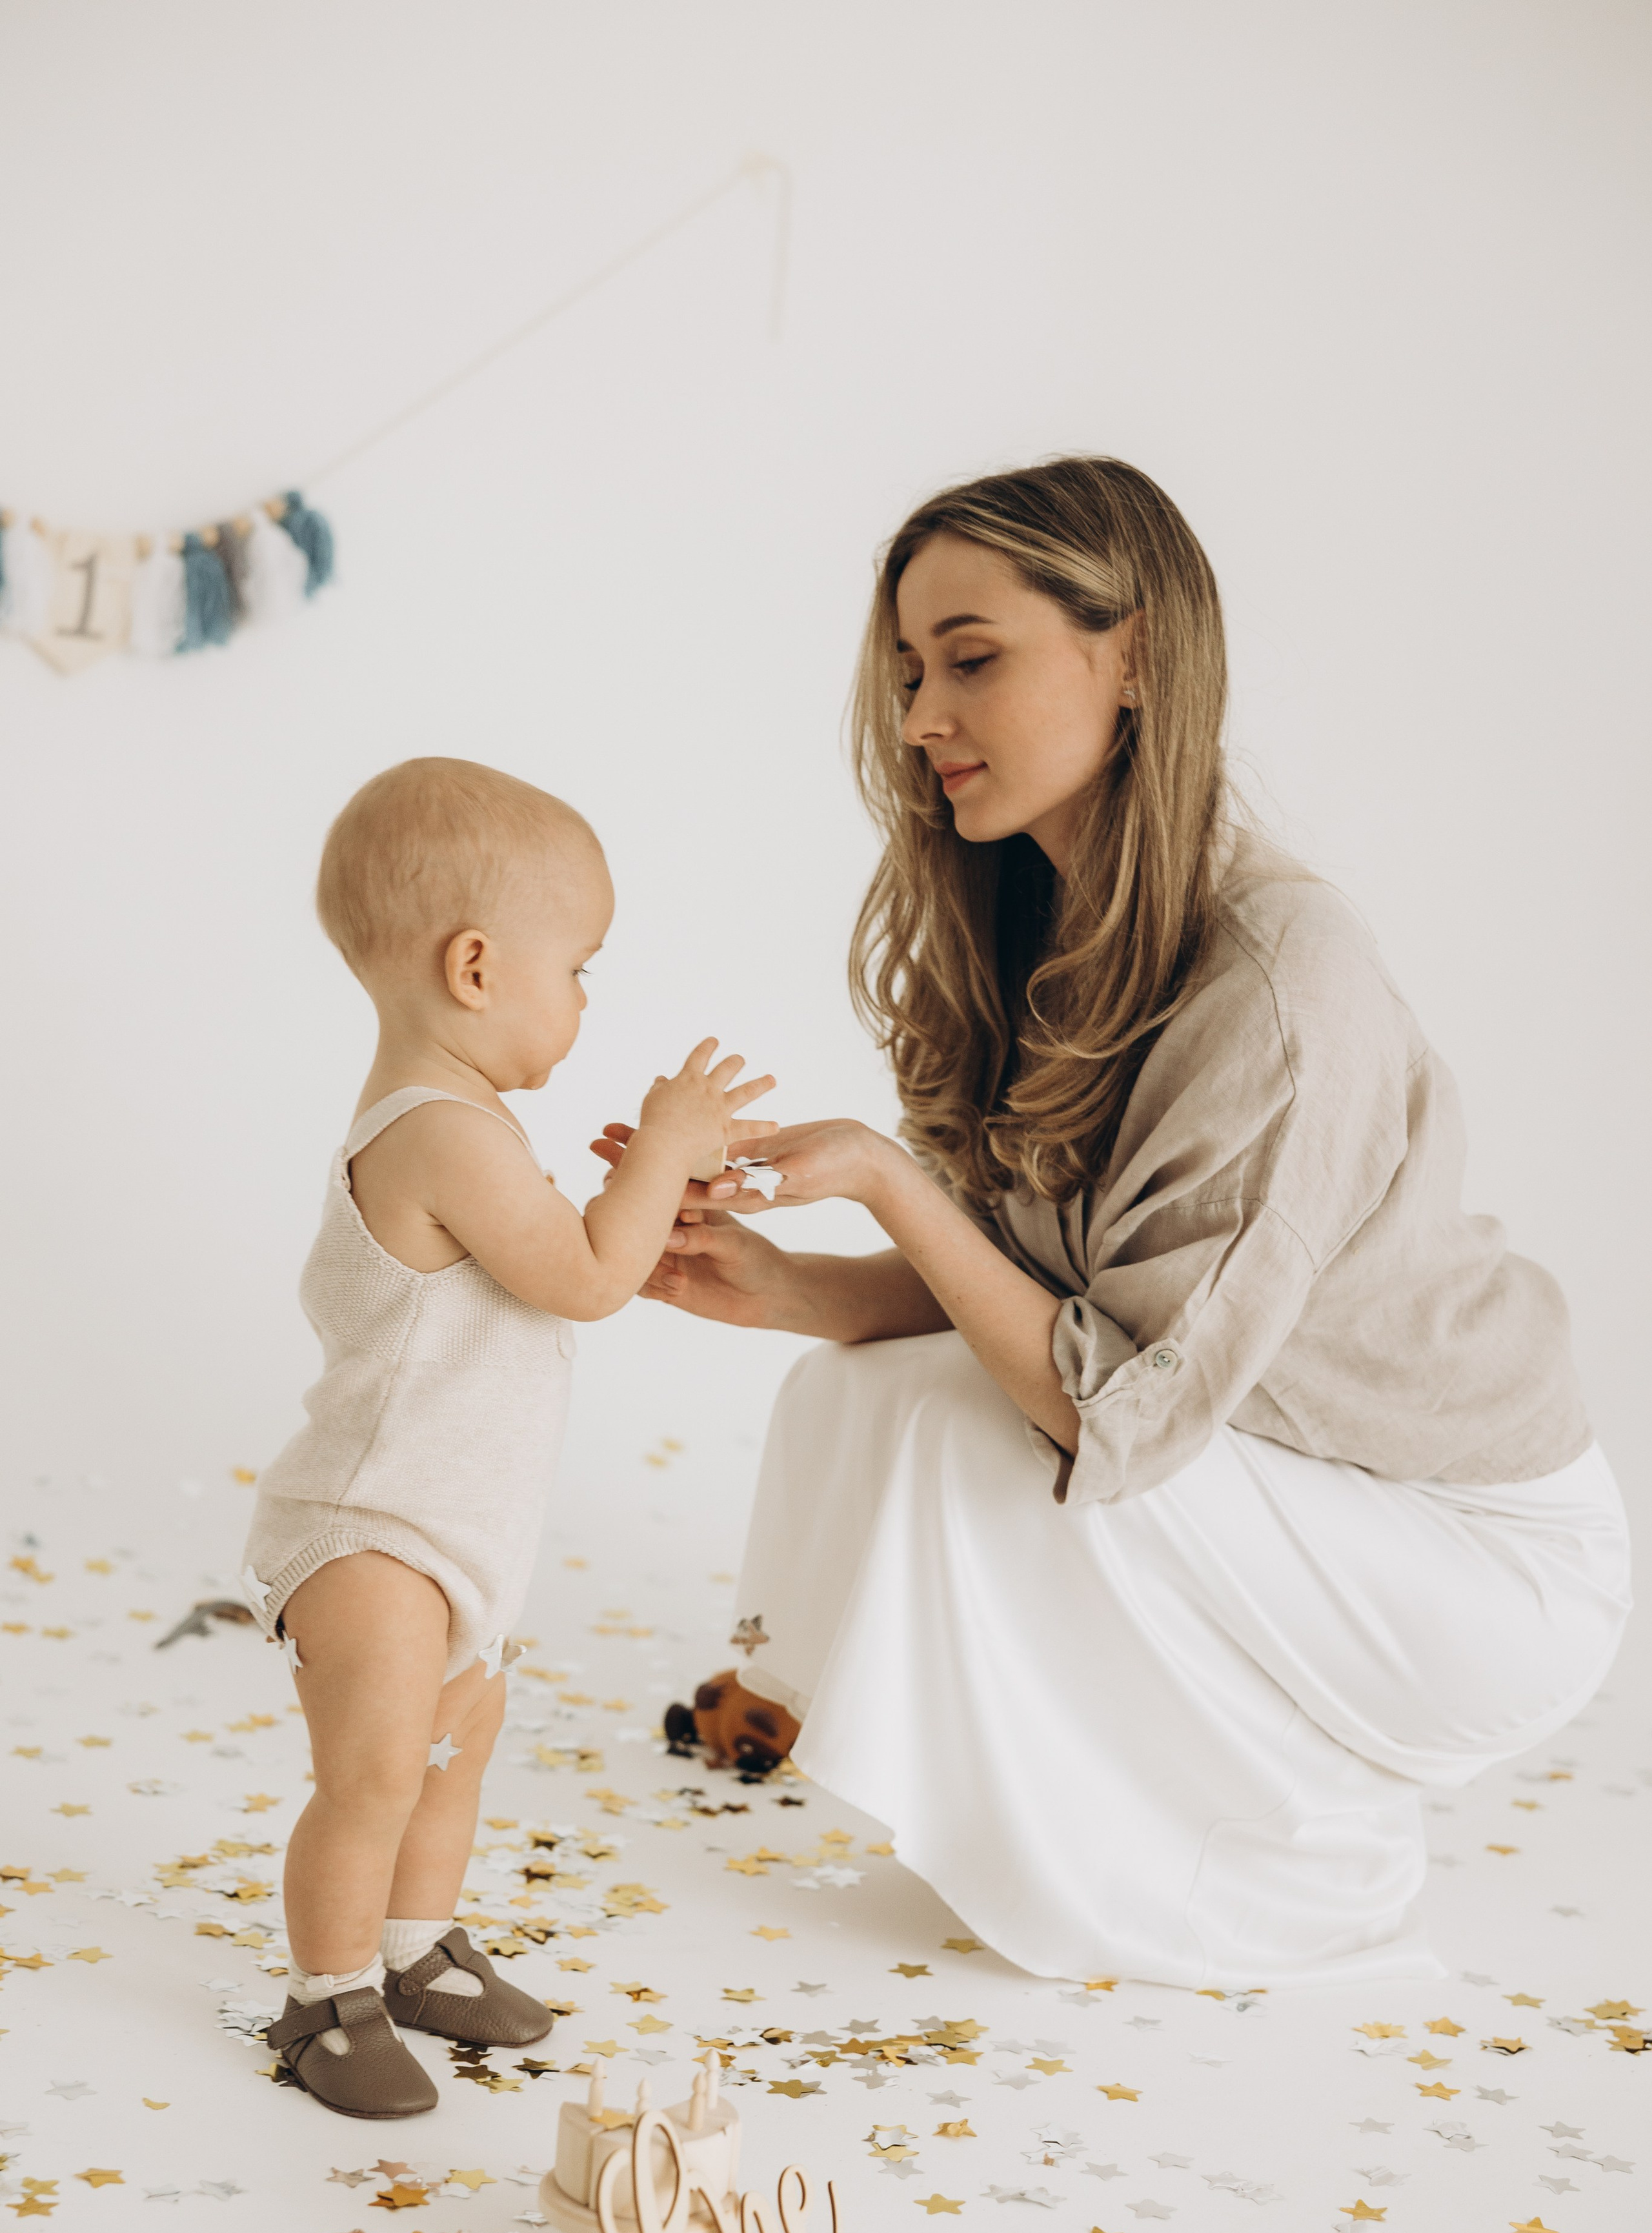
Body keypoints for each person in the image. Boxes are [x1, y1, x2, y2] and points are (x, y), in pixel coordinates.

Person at [597, 458, 1632, 1988]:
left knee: (968, 1443)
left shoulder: (1279, 982)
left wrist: (888, 1179)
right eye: (905, 671)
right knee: (863, 1391)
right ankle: (928, 1734)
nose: (917, 720)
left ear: (1133, 656)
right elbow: (1044, 1284)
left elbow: (1110, 1412)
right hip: (1288, 1462)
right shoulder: (1040, 920)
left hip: (1473, 1556)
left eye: (971, 659)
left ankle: (1302, 1861)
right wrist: (784, 1290)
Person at [242, 756, 774, 2114]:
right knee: (370, 1774)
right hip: (371, 1536)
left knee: (451, 1753)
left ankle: (413, 1951)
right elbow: (585, 1282)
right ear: (476, 968)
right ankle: (325, 1998)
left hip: (453, 1534)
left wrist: (649, 1192)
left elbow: (567, 1263)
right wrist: (660, 1149)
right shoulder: (437, 1133)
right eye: (579, 968)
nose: (586, 999)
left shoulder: (473, 1127)